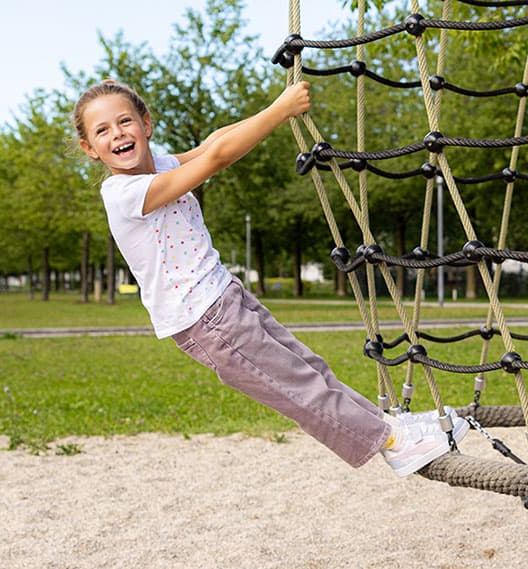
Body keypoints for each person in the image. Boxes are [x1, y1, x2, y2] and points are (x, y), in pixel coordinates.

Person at [72, 79, 462, 477]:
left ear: (146, 124)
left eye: (125, 121)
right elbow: (217, 158)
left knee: (310, 368)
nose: (117, 133)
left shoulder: (165, 165)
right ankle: (393, 444)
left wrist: (274, 104)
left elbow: (213, 143)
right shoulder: (124, 193)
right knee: (296, 386)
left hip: (225, 297)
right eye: (102, 130)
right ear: (89, 148)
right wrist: (280, 110)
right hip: (204, 320)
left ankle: (390, 427)